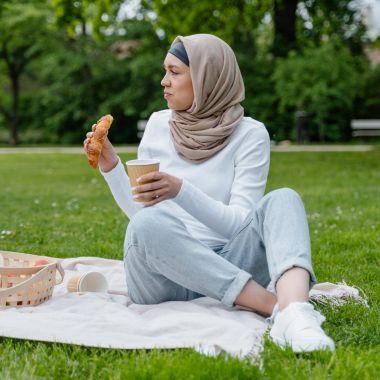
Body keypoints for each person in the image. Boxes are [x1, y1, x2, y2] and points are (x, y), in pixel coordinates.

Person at [83, 34, 335, 353]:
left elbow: (238, 223)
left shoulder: (250, 134)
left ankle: (297, 316)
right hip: (164, 278)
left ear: (206, 78)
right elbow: (141, 214)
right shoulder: (158, 125)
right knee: (145, 226)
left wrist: (180, 190)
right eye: (165, 71)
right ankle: (274, 307)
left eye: (175, 72)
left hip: (230, 259)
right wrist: (111, 166)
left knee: (285, 198)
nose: (164, 81)